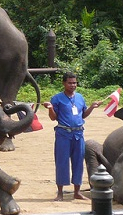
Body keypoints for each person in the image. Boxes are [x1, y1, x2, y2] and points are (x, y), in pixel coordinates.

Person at [42, 73, 102, 201]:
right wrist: (50, 108)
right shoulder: (57, 98)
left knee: (78, 162)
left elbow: (83, 115)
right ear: (64, 83)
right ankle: (60, 193)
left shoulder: (80, 98)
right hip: (63, 134)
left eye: (74, 83)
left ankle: (77, 192)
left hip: (78, 134)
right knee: (62, 162)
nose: (73, 85)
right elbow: (53, 118)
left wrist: (92, 107)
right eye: (70, 83)